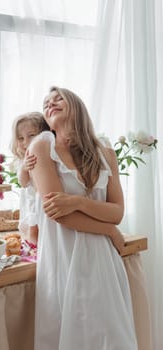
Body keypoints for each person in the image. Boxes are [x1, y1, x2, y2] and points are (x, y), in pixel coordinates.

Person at [28, 86, 138, 349]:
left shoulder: (105, 150)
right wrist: (109, 231)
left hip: (104, 260)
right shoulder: (43, 145)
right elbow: (58, 215)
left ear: (76, 105)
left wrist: (77, 201)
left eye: (58, 99)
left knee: (112, 339)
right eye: (46, 103)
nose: (50, 104)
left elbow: (117, 211)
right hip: (64, 257)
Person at [10, 112, 50, 245]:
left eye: (31, 135)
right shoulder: (23, 159)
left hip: (43, 196)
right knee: (33, 228)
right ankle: (33, 248)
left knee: (45, 229)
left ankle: (40, 247)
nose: (25, 142)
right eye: (20, 138)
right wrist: (24, 168)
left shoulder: (46, 152)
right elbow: (23, 182)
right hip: (32, 199)